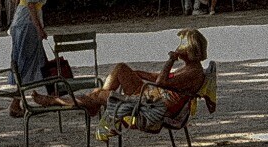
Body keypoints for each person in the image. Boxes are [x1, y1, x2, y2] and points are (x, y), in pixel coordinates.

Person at [32, 28, 209, 117]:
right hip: (151, 94)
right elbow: (161, 79)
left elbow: (162, 82)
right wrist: (136, 73)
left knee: (98, 94)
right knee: (121, 68)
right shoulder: (191, 68)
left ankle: (53, 100)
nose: (178, 48)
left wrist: (170, 59)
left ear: (189, 49)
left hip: (149, 102)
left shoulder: (192, 73)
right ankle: (95, 101)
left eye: (181, 46)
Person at [7, 0, 62, 117]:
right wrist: (39, 28)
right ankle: (16, 103)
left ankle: (52, 95)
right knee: (24, 63)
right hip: (28, 23)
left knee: (38, 61)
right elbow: (31, 4)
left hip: (19, 21)